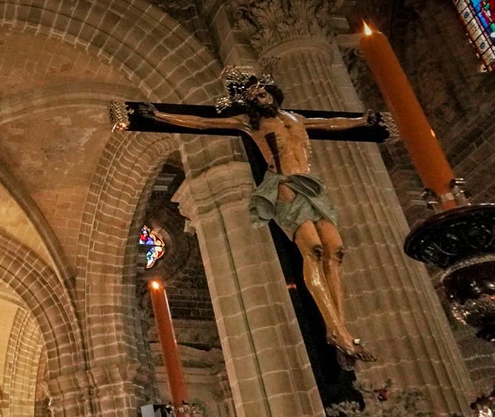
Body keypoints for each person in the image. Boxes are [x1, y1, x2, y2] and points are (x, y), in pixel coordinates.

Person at [136, 69, 376, 361]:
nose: (261, 100)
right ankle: (335, 327)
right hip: (285, 187)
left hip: (313, 188)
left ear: (272, 94)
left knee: (335, 252)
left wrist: (362, 121)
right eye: (254, 97)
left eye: (263, 93)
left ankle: (340, 325)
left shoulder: (296, 119)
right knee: (312, 250)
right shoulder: (251, 125)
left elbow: (330, 124)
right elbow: (201, 122)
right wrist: (161, 116)